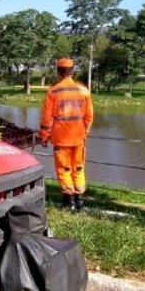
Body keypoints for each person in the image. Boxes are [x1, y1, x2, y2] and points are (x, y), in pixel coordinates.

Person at [38, 58, 94, 211]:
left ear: (58, 72)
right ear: (73, 71)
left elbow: (46, 118)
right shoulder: (83, 91)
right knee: (78, 168)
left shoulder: (53, 91)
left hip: (61, 137)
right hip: (79, 137)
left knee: (64, 169)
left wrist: (44, 136)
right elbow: (89, 116)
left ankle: (69, 202)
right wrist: (86, 133)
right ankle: (79, 201)